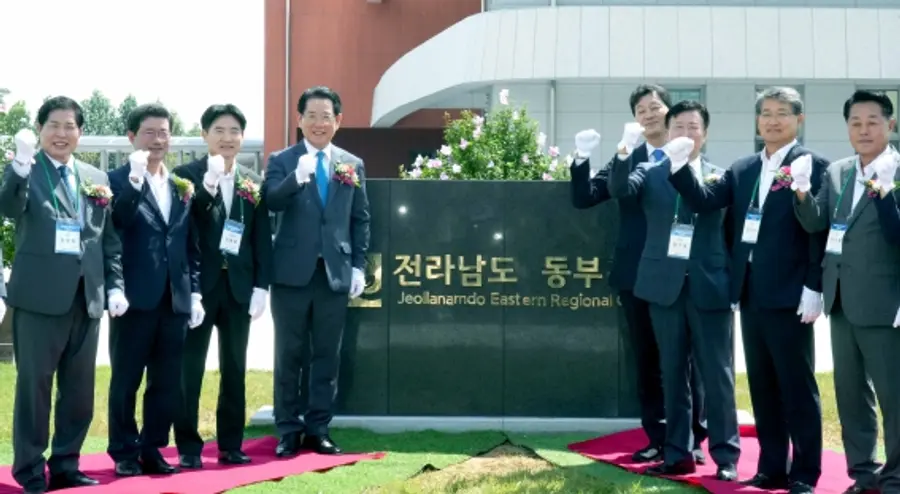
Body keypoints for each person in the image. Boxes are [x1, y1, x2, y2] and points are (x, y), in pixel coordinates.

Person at [669, 87, 827, 493]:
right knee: (762, 385)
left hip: (791, 294)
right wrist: (680, 164)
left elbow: (818, 233)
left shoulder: (813, 165)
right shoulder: (742, 169)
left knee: (796, 387)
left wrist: (814, 285)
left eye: (782, 113)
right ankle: (772, 467)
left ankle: (805, 473)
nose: (773, 120)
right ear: (757, 121)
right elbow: (704, 201)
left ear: (799, 119)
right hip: (750, 292)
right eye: (766, 113)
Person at [570, 84, 707, 464]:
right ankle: (658, 436)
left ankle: (694, 437)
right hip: (637, 274)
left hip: (683, 273)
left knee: (688, 360)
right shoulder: (628, 156)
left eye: (655, 107)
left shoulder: (690, 155)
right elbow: (584, 197)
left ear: (669, 112)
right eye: (640, 109)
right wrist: (581, 157)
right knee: (647, 359)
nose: (648, 114)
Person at [0, 96, 128, 493]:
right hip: (39, 300)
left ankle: (67, 464)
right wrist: (19, 167)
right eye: (53, 125)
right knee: (35, 389)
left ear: (80, 132)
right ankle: (29, 469)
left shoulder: (95, 177)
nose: (61, 133)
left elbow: (107, 239)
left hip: (86, 299)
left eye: (69, 126)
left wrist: (115, 285)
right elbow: (8, 207)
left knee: (79, 390)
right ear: (40, 129)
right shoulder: (25, 169)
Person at [608, 100, 740, 481]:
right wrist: (623, 151)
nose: (685, 133)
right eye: (678, 127)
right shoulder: (649, 172)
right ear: (667, 133)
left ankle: (726, 455)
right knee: (672, 372)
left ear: (705, 134)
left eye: (693, 127)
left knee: (717, 374)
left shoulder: (722, 177)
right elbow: (619, 188)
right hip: (662, 286)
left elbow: (729, 232)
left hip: (709, 285)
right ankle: (677, 451)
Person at [793, 89, 900, 494]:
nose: (864, 130)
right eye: (855, 122)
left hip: (885, 302)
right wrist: (801, 192)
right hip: (839, 299)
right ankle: (863, 473)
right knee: (851, 393)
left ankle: (896, 478)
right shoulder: (838, 171)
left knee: (893, 395)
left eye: (873, 121)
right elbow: (816, 223)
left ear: (890, 125)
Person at [263, 86, 370, 456]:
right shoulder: (282, 160)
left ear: (338, 121)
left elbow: (360, 219)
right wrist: (296, 178)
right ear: (300, 119)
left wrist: (358, 266)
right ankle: (288, 430)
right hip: (290, 275)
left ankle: (319, 428)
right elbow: (271, 201)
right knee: (288, 354)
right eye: (312, 116)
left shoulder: (351, 164)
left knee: (326, 355)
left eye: (326, 117)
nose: (319, 123)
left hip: (334, 275)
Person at [106, 103, 204, 477]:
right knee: (126, 380)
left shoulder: (181, 185)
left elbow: (188, 244)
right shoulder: (116, 180)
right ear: (132, 137)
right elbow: (118, 224)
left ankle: (152, 448)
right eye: (149, 132)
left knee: (166, 382)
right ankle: (123, 450)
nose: (157, 140)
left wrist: (195, 293)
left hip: (174, 298)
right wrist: (133, 182)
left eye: (163, 132)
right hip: (133, 298)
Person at [173, 104, 272, 468]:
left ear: (242, 137)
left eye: (234, 131)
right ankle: (188, 447)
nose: (227, 138)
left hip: (239, 288)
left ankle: (230, 445)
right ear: (204, 135)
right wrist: (209, 185)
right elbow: (182, 229)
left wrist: (262, 286)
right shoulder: (184, 176)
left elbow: (262, 238)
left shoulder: (253, 181)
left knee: (234, 368)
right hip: (200, 288)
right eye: (219, 130)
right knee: (189, 369)